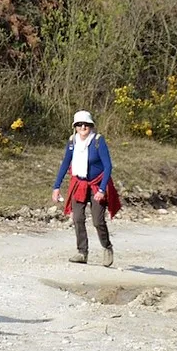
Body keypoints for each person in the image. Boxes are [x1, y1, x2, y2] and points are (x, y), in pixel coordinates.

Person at [51, 109, 120, 266]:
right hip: (79, 184)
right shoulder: (72, 142)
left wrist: (102, 190)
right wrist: (56, 187)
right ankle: (82, 252)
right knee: (78, 218)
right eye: (79, 124)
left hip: (96, 185)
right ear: (75, 127)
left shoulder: (98, 141)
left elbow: (108, 166)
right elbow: (65, 163)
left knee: (97, 221)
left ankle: (107, 247)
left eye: (86, 124)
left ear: (91, 126)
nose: (83, 127)